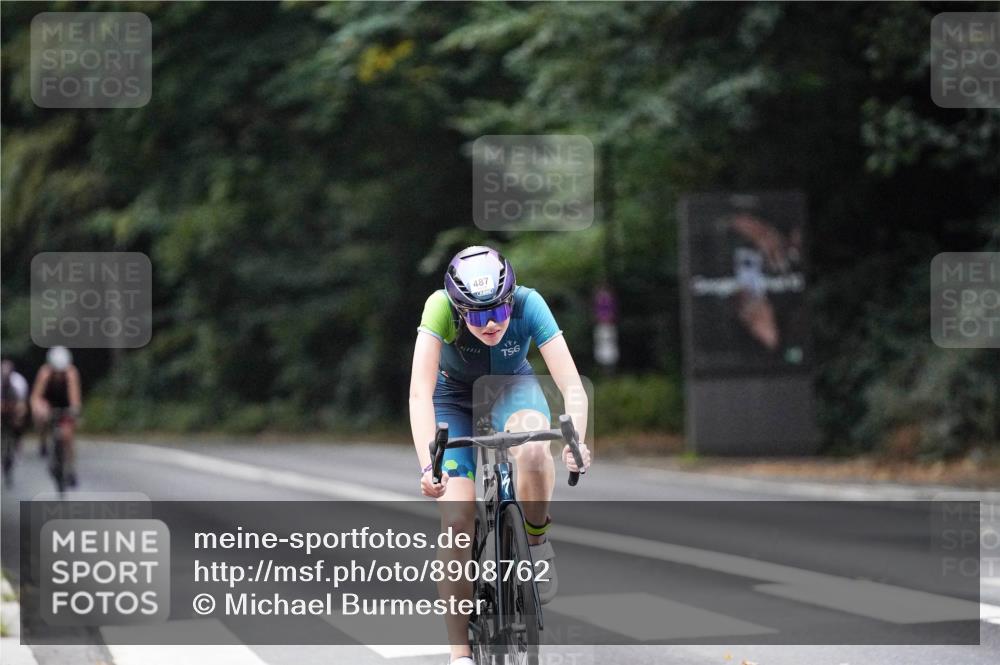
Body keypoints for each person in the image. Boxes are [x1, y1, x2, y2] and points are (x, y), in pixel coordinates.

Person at [409, 245, 592, 665]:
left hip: (512, 388)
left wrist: (576, 441)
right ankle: (459, 654)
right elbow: (420, 392)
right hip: (451, 398)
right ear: (458, 309)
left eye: (497, 310)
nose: (490, 323)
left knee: (532, 453)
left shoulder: (530, 303)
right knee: (457, 521)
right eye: (475, 315)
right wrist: (428, 464)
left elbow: (573, 387)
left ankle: (536, 539)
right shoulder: (439, 307)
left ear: (510, 298)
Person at [31, 346, 82, 486]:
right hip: (49, 403)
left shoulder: (71, 373)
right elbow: (36, 396)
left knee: (68, 436)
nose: (59, 374)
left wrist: (74, 410)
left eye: (62, 371)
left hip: (65, 404)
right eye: (56, 371)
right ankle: (43, 441)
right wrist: (38, 409)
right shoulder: (45, 373)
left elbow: (74, 397)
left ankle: (70, 468)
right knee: (41, 414)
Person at [1, 359, 30, 481]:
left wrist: (18, 415)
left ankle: (17, 444)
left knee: (19, 419)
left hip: (14, 406)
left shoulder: (19, 381)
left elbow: (22, 403)